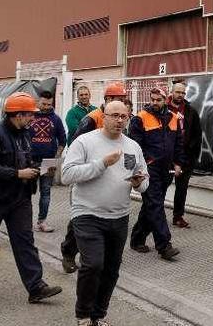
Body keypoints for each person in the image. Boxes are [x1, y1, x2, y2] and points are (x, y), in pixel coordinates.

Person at [0, 92, 62, 305]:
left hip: (19, 198)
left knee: (25, 242)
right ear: (18, 115)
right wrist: (18, 174)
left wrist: (39, 169)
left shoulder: (25, 134)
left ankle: (36, 287)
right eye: (30, 114)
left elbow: (25, 161)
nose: (33, 118)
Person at [62, 100, 149, 326]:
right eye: (114, 115)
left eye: (124, 116)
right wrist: (101, 164)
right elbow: (67, 175)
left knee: (111, 270)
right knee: (93, 265)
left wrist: (139, 182)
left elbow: (143, 180)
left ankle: (98, 316)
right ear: (103, 116)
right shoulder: (85, 141)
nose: (119, 120)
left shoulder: (132, 146)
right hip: (87, 213)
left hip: (119, 216)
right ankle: (83, 314)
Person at [60, 81, 128, 274]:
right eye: (118, 99)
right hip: (89, 175)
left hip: (110, 174)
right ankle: (68, 252)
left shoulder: (121, 119)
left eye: (123, 99)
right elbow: (76, 143)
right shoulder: (91, 119)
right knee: (81, 219)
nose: (121, 103)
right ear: (107, 99)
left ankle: (99, 252)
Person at [128, 87, 184, 260]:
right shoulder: (140, 118)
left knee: (151, 205)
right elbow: (135, 145)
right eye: (152, 99)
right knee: (155, 205)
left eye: (158, 100)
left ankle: (137, 239)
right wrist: (146, 162)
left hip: (166, 168)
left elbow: (178, 143)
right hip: (149, 169)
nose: (154, 102)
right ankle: (164, 245)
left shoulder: (174, 118)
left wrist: (178, 163)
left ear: (165, 100)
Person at [29, 90, 67, 233]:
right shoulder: (30, 116)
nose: (46, 107)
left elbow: (63, 140)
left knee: (45, 193)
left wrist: (55, 159)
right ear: (38, 101)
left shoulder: (56, 119)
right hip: (30, 161)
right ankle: (24, 222)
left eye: (49, 104)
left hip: (48, 162)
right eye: (43, 104)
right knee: (26, 194)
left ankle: (42, 222)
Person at [168, 80, 202, 229]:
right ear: (172, 92)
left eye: (183, 93)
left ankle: (178, 216)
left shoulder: (190, 111)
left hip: (185, 157)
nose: (180, 95)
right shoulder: (164, 109)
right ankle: (154, 215)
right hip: (167, 156)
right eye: (178, 92)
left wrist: (191, 154)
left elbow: (197, 134)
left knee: (181, 189)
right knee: (161, 186)